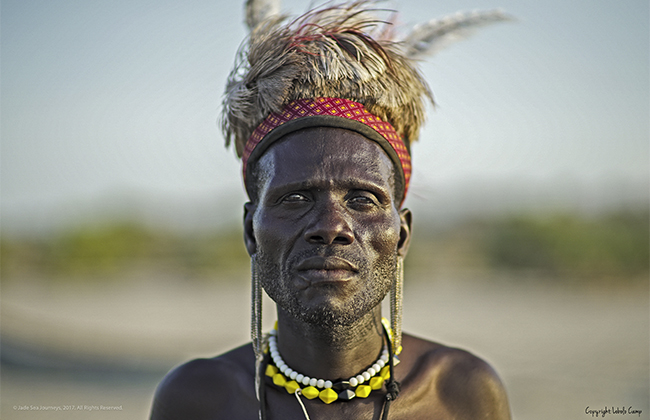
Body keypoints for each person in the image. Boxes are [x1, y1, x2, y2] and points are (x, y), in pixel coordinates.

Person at [150, 2, 511, 419]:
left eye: (362, 199)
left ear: (402, 235)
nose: (331, 227)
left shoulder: (460, 392)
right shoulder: (199, 399)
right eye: (296, 198)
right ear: (251, 231)